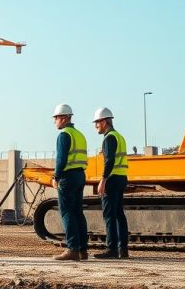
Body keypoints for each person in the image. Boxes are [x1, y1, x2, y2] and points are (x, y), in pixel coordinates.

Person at [51, 103, 89, 261]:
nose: (55, 121)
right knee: (77, 213)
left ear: (65, 118)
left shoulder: (64, 135)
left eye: (57, 118)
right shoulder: (79, 135)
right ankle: (83, 250)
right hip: (80, 175)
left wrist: (56, 177)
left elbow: (61, 160)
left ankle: (72, 249)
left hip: (67, 177)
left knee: (67, 212)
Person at [92, 106, 129, 259]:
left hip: (112, 180)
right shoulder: (119, 136)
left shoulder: (109, 138)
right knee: (119, 214)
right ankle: (123, 250)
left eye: (98, 122)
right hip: (121, 178)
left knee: (109, 215)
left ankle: (111, 249)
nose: (96, 126)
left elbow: (110, 161)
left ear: (105, 121)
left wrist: (103, 180)